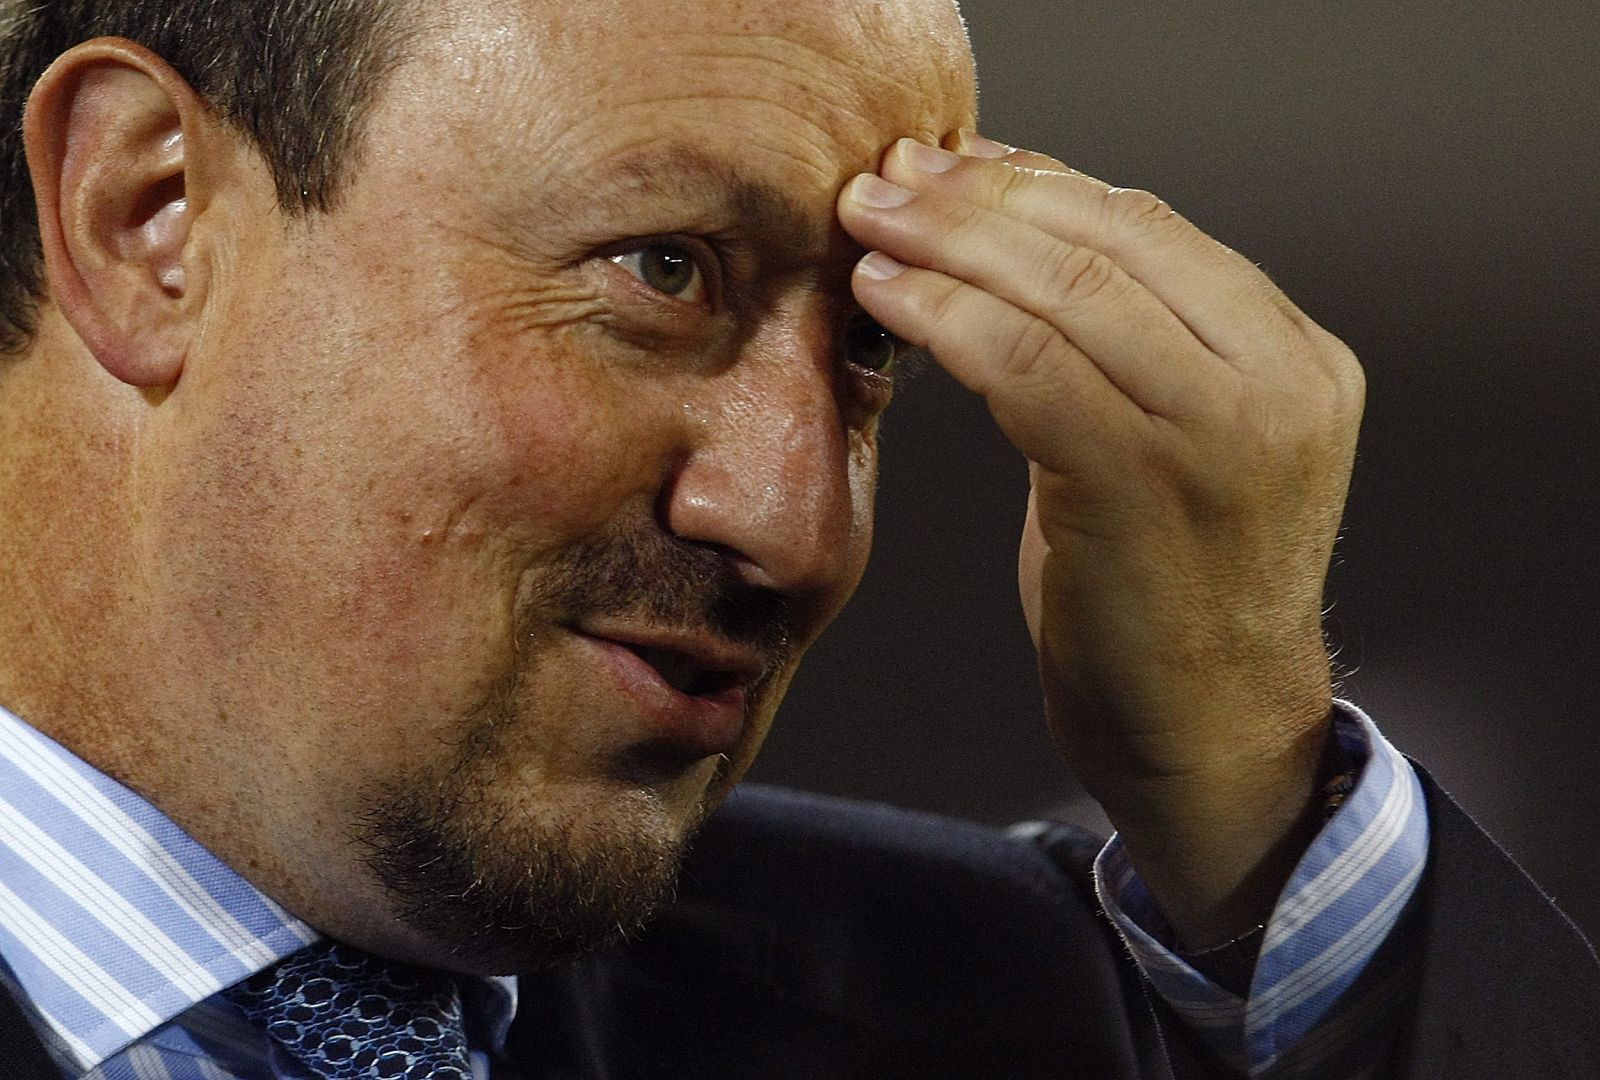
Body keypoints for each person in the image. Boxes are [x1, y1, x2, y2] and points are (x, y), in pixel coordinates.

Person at [0, 0, 1593, 1077]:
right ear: (149, 216)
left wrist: (1246, 787)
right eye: (667, 272)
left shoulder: (1010, 1010)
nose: (796, 521)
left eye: (871, 349)